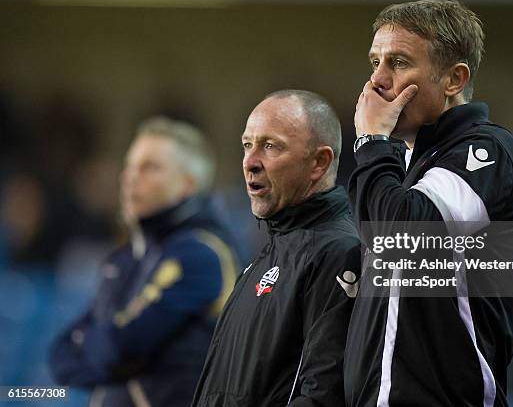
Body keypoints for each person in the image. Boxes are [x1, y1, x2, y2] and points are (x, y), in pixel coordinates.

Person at [346, 0, 513, 406]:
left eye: (397, 63)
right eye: (374, 62)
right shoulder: (405, 166)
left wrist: (372, 141)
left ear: (453, 79)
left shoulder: (488, 150)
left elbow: (403, 240)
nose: (376, 81)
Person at [49, 116, 239, 407]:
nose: (130, 177)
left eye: (150, 167)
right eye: (130, 165)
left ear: (187, 185)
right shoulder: (124, 259)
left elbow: (121, 345)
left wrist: (101, 351)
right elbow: (61, 357)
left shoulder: (201, 254)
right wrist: (118, 357)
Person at [191, 90, 361, 407]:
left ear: (319, 162)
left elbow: (324, 395)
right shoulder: (270, 252)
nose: (250, 162)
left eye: (270, 146)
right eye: (247, 145)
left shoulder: (338, 252)